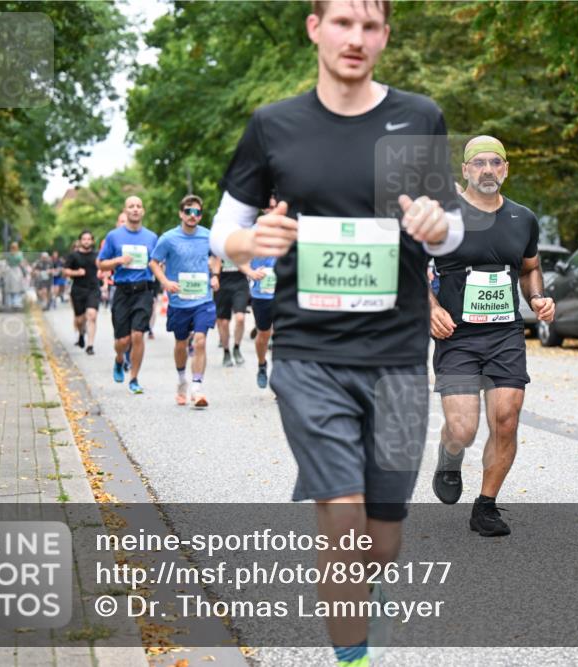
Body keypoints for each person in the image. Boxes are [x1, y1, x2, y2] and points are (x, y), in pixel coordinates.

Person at [209, 2, 464, 665]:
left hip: (401, 360)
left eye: (370, 26)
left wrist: (441, 226)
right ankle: (352, 658)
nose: (356, 38)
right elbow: (223, 229)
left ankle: (356, 611)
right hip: (308, 354)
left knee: (381, 539)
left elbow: (452, 223)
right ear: (314, 28)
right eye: (343, 22)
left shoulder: (418, 117)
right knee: (344, 517)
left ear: (385, 35)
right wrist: (249, 239)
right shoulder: (274, 126)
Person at [427, 136, 554, 536]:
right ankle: (450, 456)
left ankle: (486, 506)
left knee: (505, 419)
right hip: (457, 335)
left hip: (505, 335)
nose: (486, 169)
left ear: (505, 169)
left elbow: (530, 267)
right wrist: (429, 309)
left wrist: (537, 297)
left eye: (494, 163)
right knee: (463, 428)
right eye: (478, 163)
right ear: (465, 170)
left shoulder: (523, 218)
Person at [150, 195, 217, 408]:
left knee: (200, 340)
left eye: (197, 212)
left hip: (203, 299)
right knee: (180, 344)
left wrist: (215, 274)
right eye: (188, 211)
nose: (192, 216)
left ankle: (197, 388)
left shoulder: (208, 236)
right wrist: (165, 282)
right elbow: (153, 262)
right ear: (181, 213)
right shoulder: (168, 238)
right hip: (179, 301)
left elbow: (217, 256)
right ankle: (181, 380)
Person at [97, 197, 158, 394]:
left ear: (143, 211)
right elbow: (101, 263)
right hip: (122, 291)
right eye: (131, 206)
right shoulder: (114, 236)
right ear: (125, 210)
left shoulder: (151, 238)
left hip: (143, 291)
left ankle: (134, 378)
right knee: (122, 341)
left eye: (138, 206)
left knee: (138, 335)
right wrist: (118, 260)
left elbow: (157, 262)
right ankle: (119, 359)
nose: (135, 209)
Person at [239, 252, 277, 388]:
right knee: (264, 334)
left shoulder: (289, 232)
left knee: (283, 335)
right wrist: (250, 272)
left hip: (283, 294)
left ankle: (279, 377)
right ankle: (262, 364)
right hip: (261, 295)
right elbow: (240, 259)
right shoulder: (253, 233)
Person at [64, 230, 101, 355]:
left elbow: (103, 268)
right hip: (78, 290)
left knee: (92, 315)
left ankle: (90, 346)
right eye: (84, 239)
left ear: (92, 241)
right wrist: (76, 273)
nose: (86, 241)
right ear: (80, 241)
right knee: (79, 320)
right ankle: (81, 333)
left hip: (93, 288)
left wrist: (103, 274)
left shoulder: (97, 255)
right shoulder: (73, 256)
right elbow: (65, 272)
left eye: (89, 239)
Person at [210, 251, 249, 366]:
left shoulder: (242, 245)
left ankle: (237, 348)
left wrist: (236, 258)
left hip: (240, 284)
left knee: (240, 318)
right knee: (223, 322)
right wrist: (215, 276)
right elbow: (215, 260)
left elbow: (247, 267)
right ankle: (226, 352)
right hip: (223, 284)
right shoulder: (219, 244)